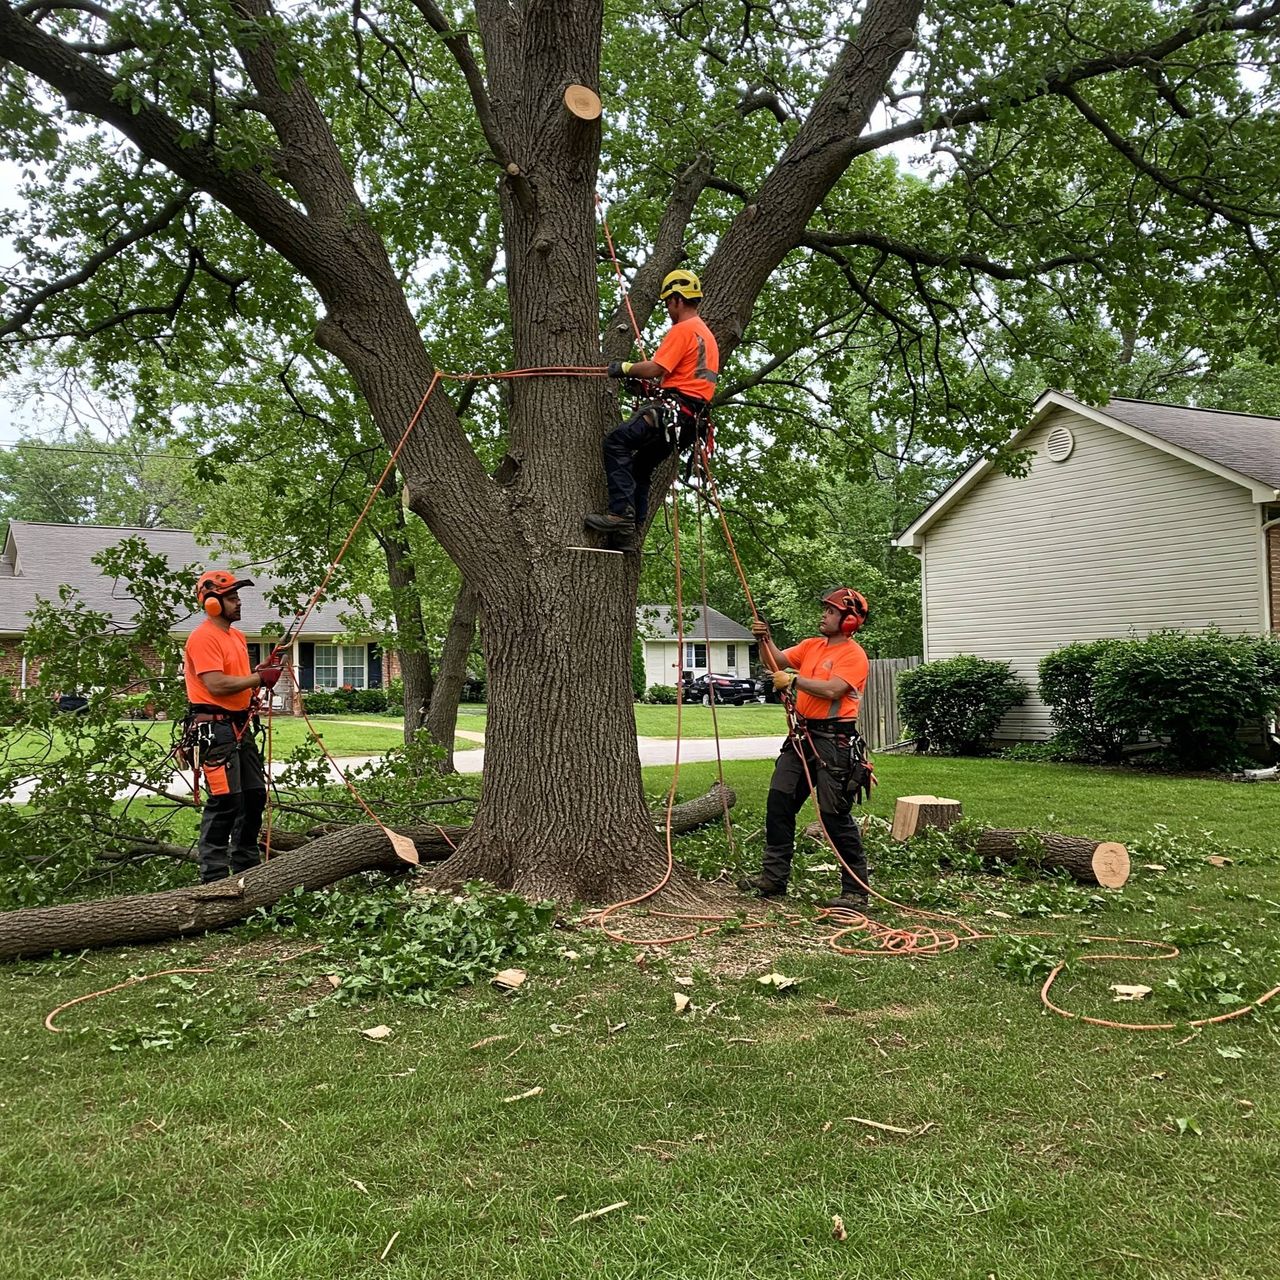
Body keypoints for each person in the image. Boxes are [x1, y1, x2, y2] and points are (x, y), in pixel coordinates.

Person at [741, 588, 873, 909]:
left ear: (849, 620)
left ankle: (855, 890)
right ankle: (773, 879)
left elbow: (833, 690)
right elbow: (777, 661)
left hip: (835, 743)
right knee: (779, 802)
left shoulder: (854, 655)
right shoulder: (812, 646)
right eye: (825, 610)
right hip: (803, 737)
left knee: (833, 815)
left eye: (830, 611)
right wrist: (764, 639)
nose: (823, 615)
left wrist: (794, 681)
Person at [583, 268, 719, 543]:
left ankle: (621, 515)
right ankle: (629, 535)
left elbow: (656, 367)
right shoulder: (707, 336)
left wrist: (624, 368)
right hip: (688, 420)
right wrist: (649, 388)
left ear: (677, 299)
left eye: (668, 302)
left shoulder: (683, 329)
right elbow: (687, 381)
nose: (668, 309)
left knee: (616, 442)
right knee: (640, 467)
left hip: (672, 413)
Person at [182, 570, 283, 884]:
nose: (238, 603)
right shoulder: (202, 637)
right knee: (226, 802)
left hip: (241, 726)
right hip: (215, 730)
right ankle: (213, 879)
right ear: (212, 603)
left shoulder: (236, 637)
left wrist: (260, 671)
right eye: (231, 598)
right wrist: (258, 679)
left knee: (253, 797)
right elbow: (216, 684)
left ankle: (247, 870)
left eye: (237, 597)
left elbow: (239, 679)